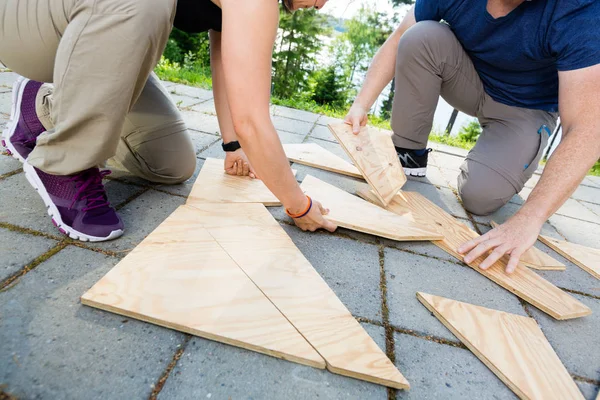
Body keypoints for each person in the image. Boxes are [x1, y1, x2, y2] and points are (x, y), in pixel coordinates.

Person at [0, 0, 336, 242]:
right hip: (28, 20)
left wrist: (233, 145)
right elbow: (253, 120)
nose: (322, 6)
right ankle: (64, 163)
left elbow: (227, 70)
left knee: (170, 163)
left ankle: (40, 106)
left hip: (84, 37)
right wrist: (297, 204)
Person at [345, 0, 600, 273]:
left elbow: (588, 127)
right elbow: (399, 38)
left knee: (480, 198)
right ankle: (409, 156)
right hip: (469, 79)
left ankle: (501, 158)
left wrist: (531, 217)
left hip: (524, 109)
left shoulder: (578, 10)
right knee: (421, 36)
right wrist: (361, 104)